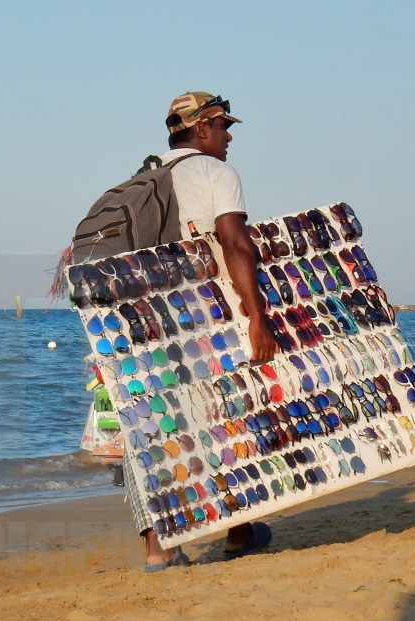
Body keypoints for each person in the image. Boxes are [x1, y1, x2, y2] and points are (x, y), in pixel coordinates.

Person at [129, 91, 277, 571]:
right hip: (203, 315)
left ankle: (157, 550)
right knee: (227, 414)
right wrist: (257, 315)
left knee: (149, 428)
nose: (229, 136)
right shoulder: (216, 173)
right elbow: (235, 244)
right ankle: (236, 532)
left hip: (145, 323)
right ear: (201, 130)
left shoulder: (139, 179)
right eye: (223, 126)